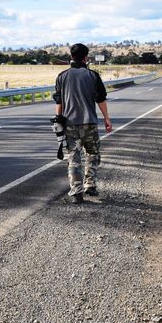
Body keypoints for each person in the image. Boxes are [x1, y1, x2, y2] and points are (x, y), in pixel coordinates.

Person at [53, 43, 112, 204]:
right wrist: (106, 119)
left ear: (71, 57)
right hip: (89, 123)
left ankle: (76, 191)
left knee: (73, 157)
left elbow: (59, 102)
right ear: (86, 57)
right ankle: (90, 184)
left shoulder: (62, 76)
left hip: (70, 124)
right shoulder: (93, 75)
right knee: (93, 153)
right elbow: (100, 99)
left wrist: (58, 119)